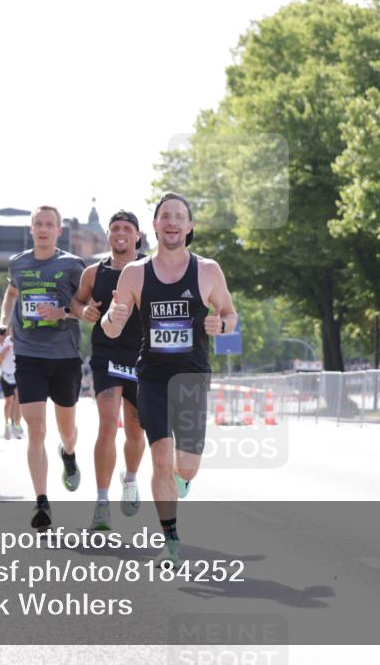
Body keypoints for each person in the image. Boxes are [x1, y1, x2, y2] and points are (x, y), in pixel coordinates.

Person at [103, 192, 237, 567]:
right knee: (160, 459)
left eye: (180, 216)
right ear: (156, 225)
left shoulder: (208, 270)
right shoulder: (135, 273)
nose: (173, 222)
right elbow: (111, 330)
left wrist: (221, 323)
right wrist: (111, 317)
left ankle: (183, 480)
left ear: (189, 226)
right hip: (154, 377)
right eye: (166, 216)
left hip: (193, 376)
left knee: (186, 466)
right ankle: (171, 540)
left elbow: (230, 314)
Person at [0, 205, 87, 530]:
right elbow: (11, 293)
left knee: (67, 431)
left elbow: (86, 309)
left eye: (50, 224)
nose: (44, 229)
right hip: (29, 355)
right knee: (36, 429)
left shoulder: (72, 265)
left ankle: (69, 452)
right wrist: (4, 322)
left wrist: (61, 311)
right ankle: (42, 503)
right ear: (31, 228)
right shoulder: (18, 263)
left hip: (65, 357)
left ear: (59, 230)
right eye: (39, 224)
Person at [74, 210, 146, 531]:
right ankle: (102, 503)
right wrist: (84, 310)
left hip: (143, 356)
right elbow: (76, 303)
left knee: (135, 429)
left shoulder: (151, 269)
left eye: (127, 229)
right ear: (108, 235)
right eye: (115, 228)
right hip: (106, 353)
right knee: (107, 422)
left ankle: (129, 479)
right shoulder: (94, 273)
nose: (121, 233)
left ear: (137, 235)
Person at [0, 329, 23, 440]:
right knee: (9, 401)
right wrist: (6, 350)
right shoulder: (3, 342)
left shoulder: (22, 340)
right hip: (6, 375)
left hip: (18, 375)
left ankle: (17, 424)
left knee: (18, 400)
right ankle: (7, 425)